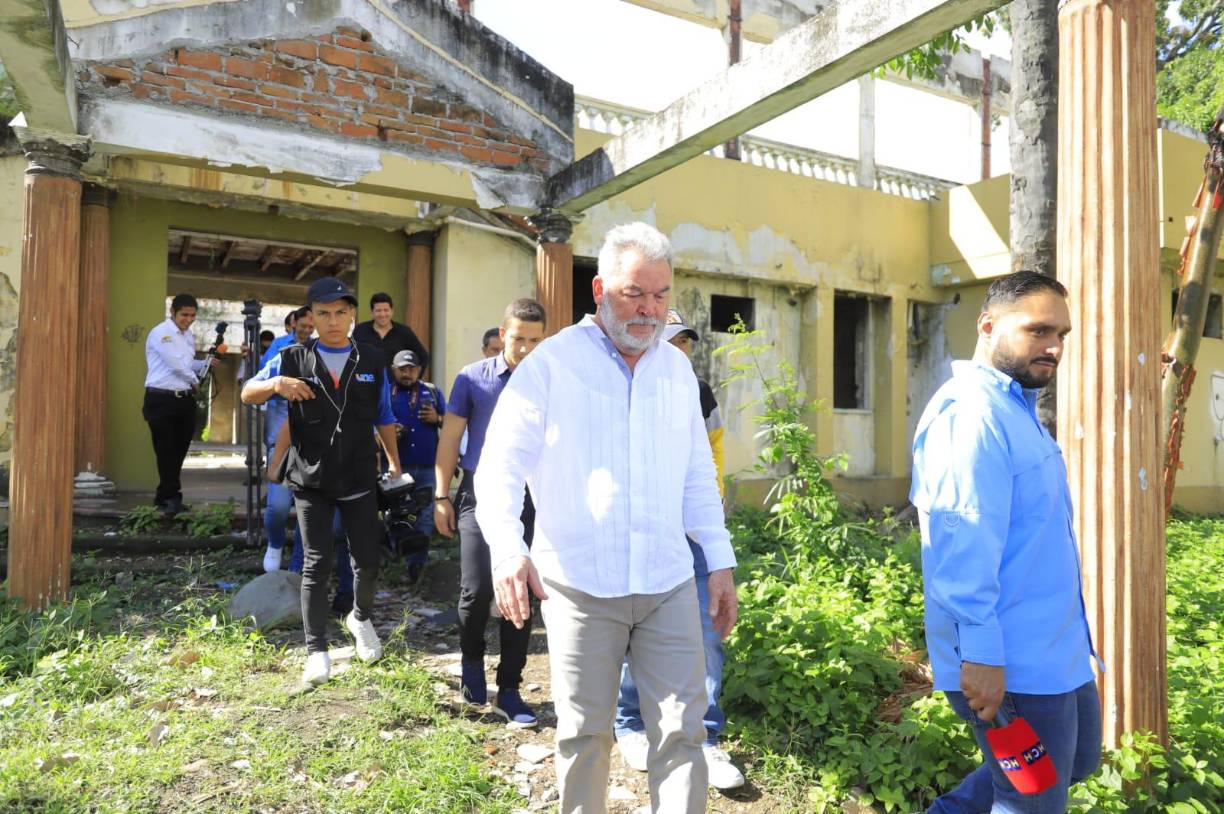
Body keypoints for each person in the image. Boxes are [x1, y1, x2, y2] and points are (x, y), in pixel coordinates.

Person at [476, 223, 737, 813]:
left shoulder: (674, 371)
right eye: (633, 293)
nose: (649, 310)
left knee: (682, 731)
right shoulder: (552, 366)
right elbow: (499, 466)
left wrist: (718, 559)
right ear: (598, 289)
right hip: (579, 585)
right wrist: (508, 549)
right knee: (583, 735)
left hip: (667, 581)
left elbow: (698, 474)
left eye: (661, 295)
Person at [911, 271, 1101, 813]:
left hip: (1055, 650)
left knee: (1076, 762)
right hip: (1010, 660)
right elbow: (961, 545)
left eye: (1062, 333)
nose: (1054, 346)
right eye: (1039, 330)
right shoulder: (973, 416)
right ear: (988, 324)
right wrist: (983, 656)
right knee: (1032, 794)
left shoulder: (1015, 406)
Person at [242, 277, 402, 686]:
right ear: (310, 317)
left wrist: (395, 466)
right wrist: (276, 384)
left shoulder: (371, 359)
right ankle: (317, 650)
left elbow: (383, 415)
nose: (333, 321)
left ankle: (360, 618)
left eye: (341, 312)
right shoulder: (292, 356)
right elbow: (247, 392)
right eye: (324, 313)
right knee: (318, 563)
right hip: (311, 477)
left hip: (360, 475)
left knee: (367, 559)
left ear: (352, 316)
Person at [613, 308, 742, 790]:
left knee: (709, 631)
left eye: (686, 342)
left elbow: (715, 453)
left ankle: (705, 735)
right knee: (635, 622)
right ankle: (631, 723)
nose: (681, 351)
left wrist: (711, 517)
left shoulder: (698, 390)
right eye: (674, 342)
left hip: (697, 529)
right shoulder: (625, 387)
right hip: (645, 530)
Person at [434, 298, 547, 728]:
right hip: (478, 495)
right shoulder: (472, 379)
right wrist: (441, 495)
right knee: (477, 589)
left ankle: (511, 688)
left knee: (521, 592)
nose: (526, 349)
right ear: (502, 335)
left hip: (532, 499)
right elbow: (450, 440)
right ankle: (471, 666)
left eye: (536, 341)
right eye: (519, 339)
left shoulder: (549, 382)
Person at [143, 293, 218, 515]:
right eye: (184, 314)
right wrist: (195, 381)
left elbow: (186, 363)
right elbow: (174, 364)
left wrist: (204, 363)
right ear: (173, 312)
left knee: (179, 450)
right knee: (166, 450)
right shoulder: (162, 333)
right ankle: (172, 497)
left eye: (192, 315)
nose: (188, 319)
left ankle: (164, 495)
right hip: (161, 399)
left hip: (183, 400)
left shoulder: (187, 337)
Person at [261, 307, 315, 572]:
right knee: (278, 506)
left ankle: (300, 568)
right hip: (281, 438)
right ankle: (275, 542)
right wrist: (281, 385)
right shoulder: (281, 349)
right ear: (293, 323)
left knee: (313, 512)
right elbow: (260, 385)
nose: (306, 330)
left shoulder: (322, 349)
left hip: (315, 444)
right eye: (302, 325)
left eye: (310, 326)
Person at [389, 349, 446, 583]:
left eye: (411, 369)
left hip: (427, 466)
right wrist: (388, 431)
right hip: (396, 467)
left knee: (424, 516)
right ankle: (395, 560)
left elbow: (453, 423)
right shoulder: (385, 394)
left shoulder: (432, 392)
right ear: (394, 370)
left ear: (419, 370)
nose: (407, 373)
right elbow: (371, 424)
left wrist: (437, 419)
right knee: (397, 515)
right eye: (402, 369)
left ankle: (416, 567)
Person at [353, 292, 430, 371]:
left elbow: (423, 358)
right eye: (378, 310)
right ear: (372, 312)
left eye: (386, 310)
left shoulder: (404, 332)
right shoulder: (360, 331)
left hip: (395, 383)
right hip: (367, 381)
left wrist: (412, 380)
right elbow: (349, 357)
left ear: (392, 311)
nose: (382, 314)